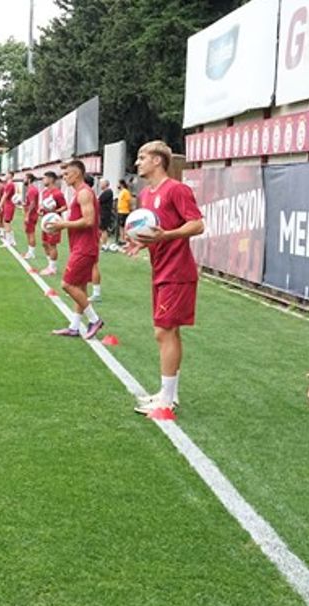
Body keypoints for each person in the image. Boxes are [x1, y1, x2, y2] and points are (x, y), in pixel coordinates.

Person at [126, 140, 204, 415]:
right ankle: (167, 393)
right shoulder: (146, 195)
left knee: (163, 331)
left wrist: (167, 236)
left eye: (142, 157)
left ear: (158, 160)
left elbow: (197, 224)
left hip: (178, 271)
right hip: (160, 269)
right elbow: (155, 232)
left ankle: (167, 400)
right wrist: (142, 243)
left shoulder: (177, 189)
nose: (138, 163)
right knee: (169, 331)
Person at [46, 160, 104, 340]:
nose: (64, 178)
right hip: (81, 245)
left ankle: (94, 320)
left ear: (77, 174)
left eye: (67, 175)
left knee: (67, 284)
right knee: (80, 287)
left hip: (85, 247)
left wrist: (63, 224)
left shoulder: (85, 192)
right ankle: (74, 326)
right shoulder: (79, 192)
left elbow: (89, 221)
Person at [90, 177, 116, 303]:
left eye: (102, 184)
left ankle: (104, 245)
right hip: (103, 214)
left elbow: (98, 201)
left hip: (105, 214)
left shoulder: (108, 192)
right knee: (102, 230)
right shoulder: (105, 192)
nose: (100, 185)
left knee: (103, 229)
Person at [37, 171, 67, 277]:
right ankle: (50, 265)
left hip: (54, 222)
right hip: (45, 221)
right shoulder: (45, 192)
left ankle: (52, 268)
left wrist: (55, 211)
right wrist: (41, 210)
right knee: (44, 243)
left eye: (44, 178)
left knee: (52, 244)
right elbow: (43, 206)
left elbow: (65, 207)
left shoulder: (57, 193)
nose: (43, 180)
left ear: (51, 179)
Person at [0, 172, 20, 256]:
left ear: (10, 175)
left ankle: (8, 242)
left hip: (9, 205)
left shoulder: (10, 184)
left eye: (7, 174)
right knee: (6, 222)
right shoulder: (9, 184)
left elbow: (5, 195)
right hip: (7, 204)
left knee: (6, 222)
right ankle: (12, 240)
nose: (5, 175)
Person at [22, 173, 40, 264]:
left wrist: (27, 215)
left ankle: (32, 252)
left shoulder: (32, 190)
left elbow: (33, 203)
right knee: (28, 232)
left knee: (31, 233)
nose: (23, 180)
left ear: (29, 179)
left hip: (31, 215)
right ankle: (30, 251)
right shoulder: (30, 189)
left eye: (24, 178)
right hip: (30, 213)